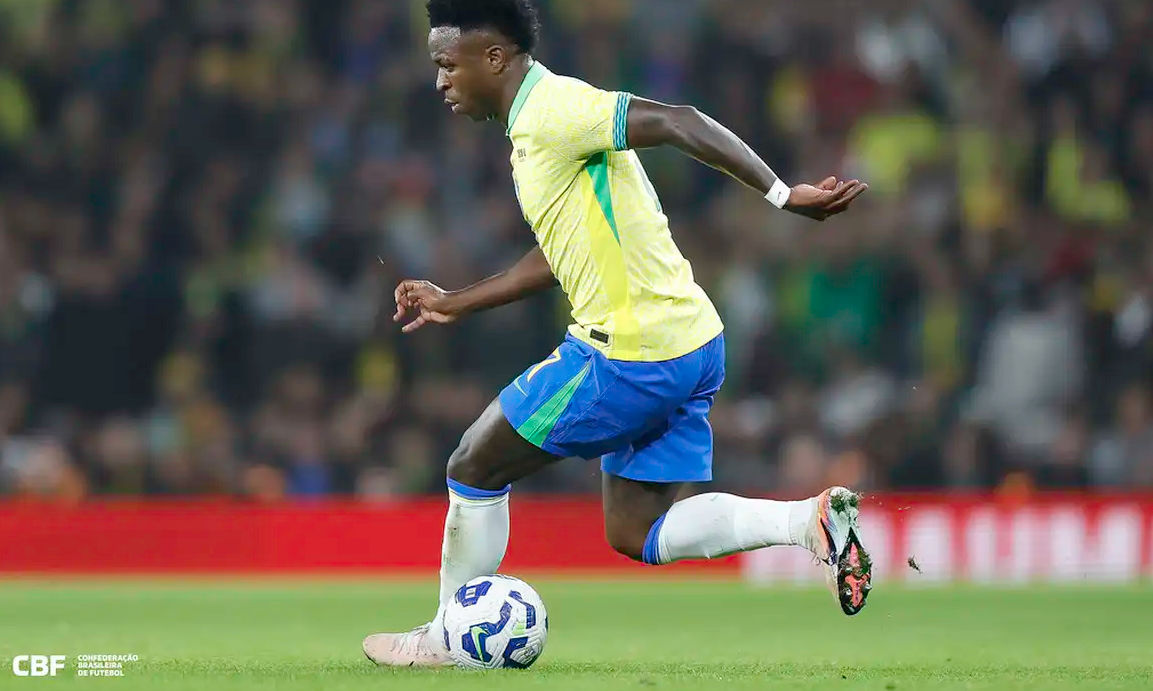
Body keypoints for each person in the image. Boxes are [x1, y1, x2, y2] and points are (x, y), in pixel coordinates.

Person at [364, 0, 871, 667]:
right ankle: (807, 522)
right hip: (690, 342)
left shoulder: (555, 109)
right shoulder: (534, 132)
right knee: (637, 530)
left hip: (629, 354)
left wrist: (782, 194)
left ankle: (445, 640)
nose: (440, 81)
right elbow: (557, 253)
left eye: (447, 65)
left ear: (493, 57)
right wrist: (457, 302)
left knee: (472, 465)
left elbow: (679, 120)